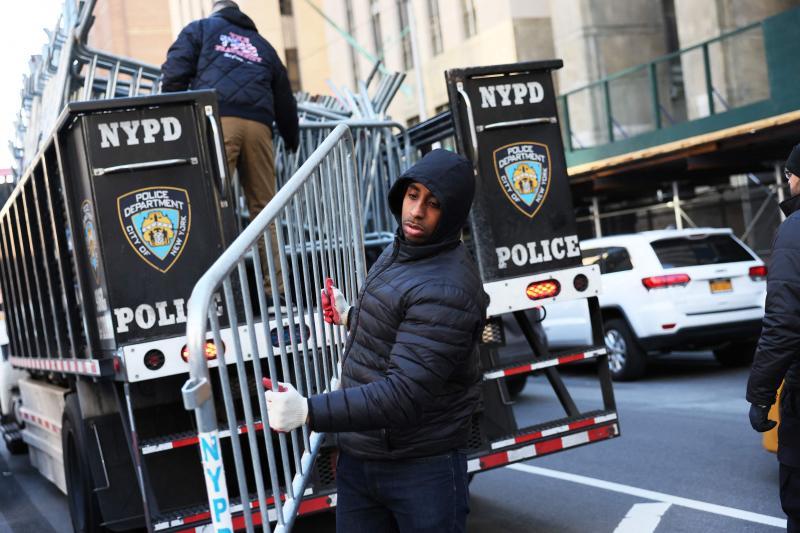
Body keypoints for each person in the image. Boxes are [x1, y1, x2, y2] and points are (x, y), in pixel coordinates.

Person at [265, 149, 489, 532]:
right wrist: (353, 314)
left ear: (451, 214)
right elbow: (406, 330)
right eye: (413, 195)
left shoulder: (449, 286)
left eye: (433, 204)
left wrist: (308, 410)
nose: (416, 211)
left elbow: (403, 393)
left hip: (422, 468)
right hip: (362, 459)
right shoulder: (402, 249)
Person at [160, 0, 299, 296]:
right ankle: (277, 290)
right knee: (265, 210)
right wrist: (291, 137)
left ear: (215, 11)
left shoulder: (201, 29)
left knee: (210, 207)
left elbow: (174, 73)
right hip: (260, 127)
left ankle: (215, 293)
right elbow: (285, 97)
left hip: (218, 120)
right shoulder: (262, 45)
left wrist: (174, 115)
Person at [747, 143, 800, 531]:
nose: (788, 182)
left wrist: (761, 396)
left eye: (789, 174)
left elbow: (783, 323)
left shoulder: (794, 232)